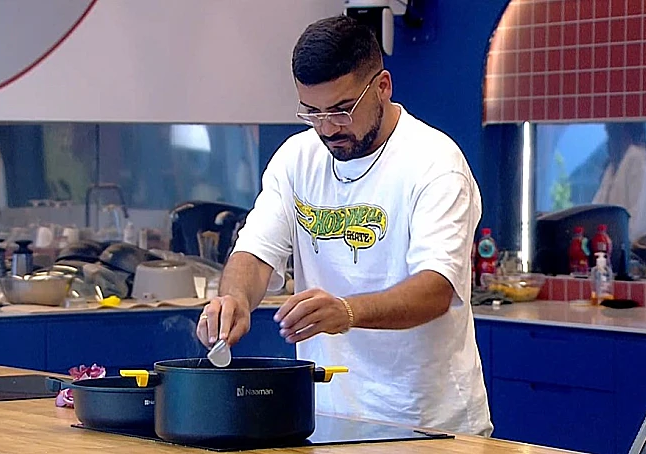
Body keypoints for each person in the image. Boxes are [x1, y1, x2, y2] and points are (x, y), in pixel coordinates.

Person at [195, 15, 492, 436]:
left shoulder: (435, 164)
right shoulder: (296, 159)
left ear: (383, 87)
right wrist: (235, 299)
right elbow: (255, 252)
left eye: (341, 110)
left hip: (428, 423)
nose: (328, 128)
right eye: (312, 112)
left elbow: (435, 289)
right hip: (326, 419)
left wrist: (348, 311)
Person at [593, 122, 646, 241]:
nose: (608, 142)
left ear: (624, 132)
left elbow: (637, 218)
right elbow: (595, 210)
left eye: (611, 134)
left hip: (637, 248)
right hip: (614, 246)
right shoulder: (612, 167)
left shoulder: (638, 158)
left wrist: (612, 238)